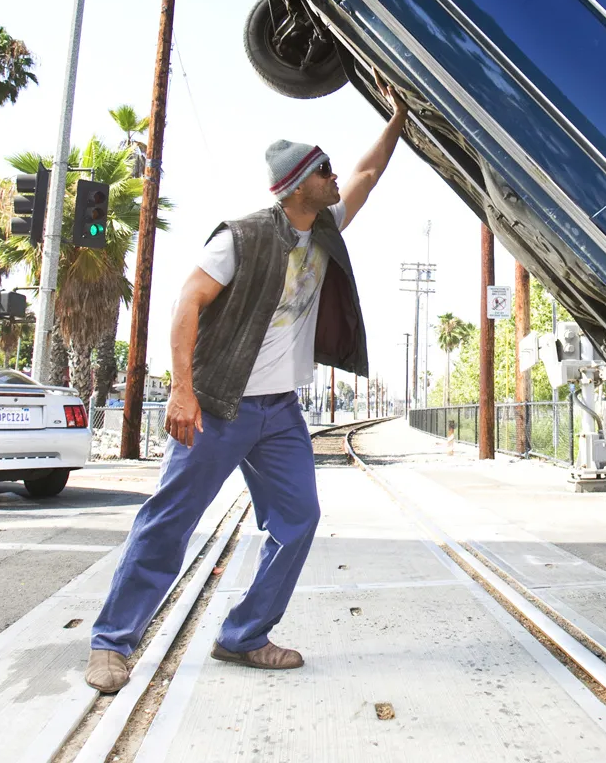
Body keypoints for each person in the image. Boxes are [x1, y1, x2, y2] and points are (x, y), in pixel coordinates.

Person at [85, 89, 408, 694]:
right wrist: (182, 392)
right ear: (296, 184)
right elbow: (187, 304)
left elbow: (367, 173)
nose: (336, 176)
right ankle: (111, 643)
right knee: (169, 523)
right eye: (324, 170)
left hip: (280, 411)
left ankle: (244, 635)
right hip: (217, 406)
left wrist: (396, 120)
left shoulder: (326, 228)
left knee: (299, 519)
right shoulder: (240, 237)